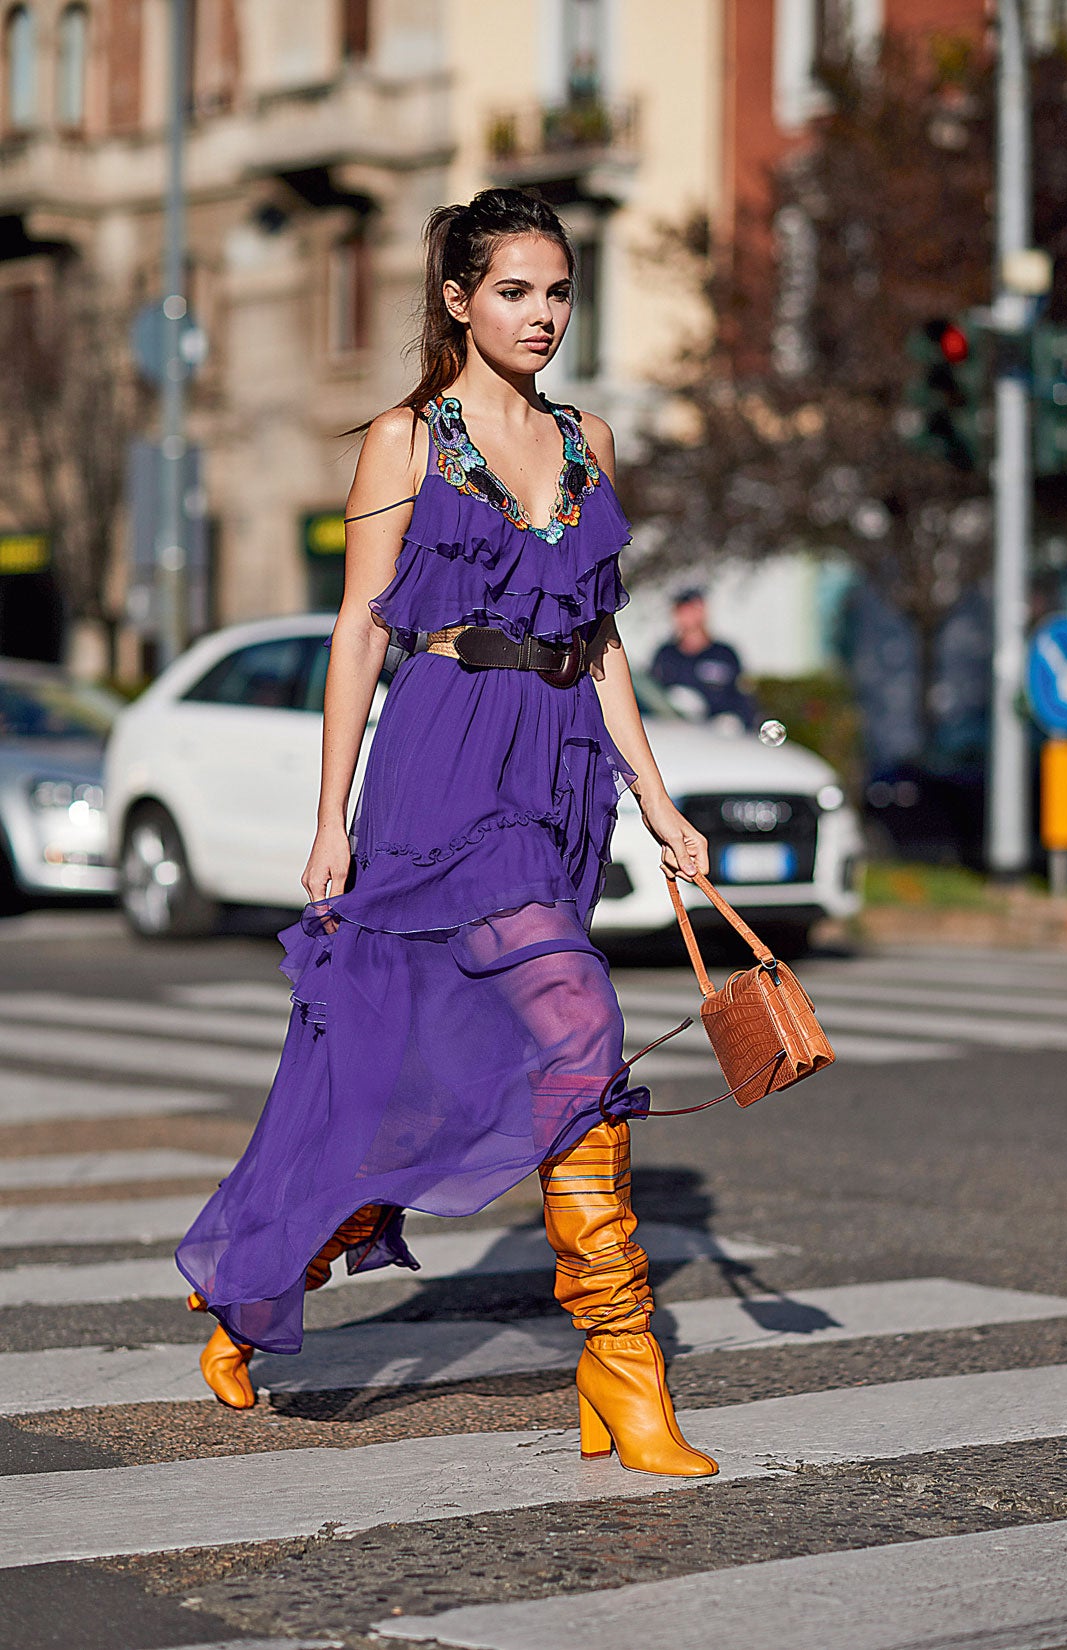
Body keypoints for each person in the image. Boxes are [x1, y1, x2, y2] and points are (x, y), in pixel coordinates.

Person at [178, 189, 717, 1478]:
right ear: (457, 299)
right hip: (441, 755)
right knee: (578, 1020)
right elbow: (360, 627)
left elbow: (597, 641)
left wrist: (656, 796)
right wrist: (328, 818)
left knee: (430, 1070)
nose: (542, 315)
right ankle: (624, 1370)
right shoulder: (404, 441)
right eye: (516, 290)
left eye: (559, 291)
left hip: (559, 768)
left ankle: (255, 1283)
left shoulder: (583, 438)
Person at [651, 588, 757, 727]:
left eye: (693, 609)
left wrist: (736, 719)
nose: (688, 616)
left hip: (717, 733)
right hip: (675, 730)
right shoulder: (666, 654)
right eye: (683, 610)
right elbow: (653, 693)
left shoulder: (724, 654)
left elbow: (742, 696)